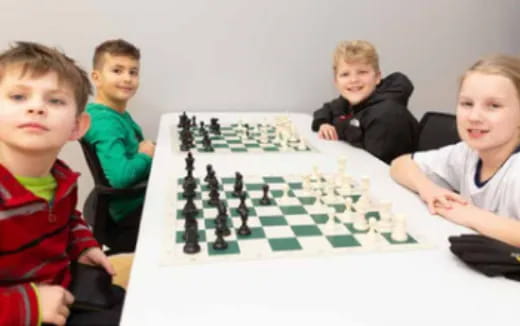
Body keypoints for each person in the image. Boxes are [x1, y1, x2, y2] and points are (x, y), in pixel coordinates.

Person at [0, 42, 123, 325]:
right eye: (19, 97)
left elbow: (68, 219)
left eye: (55, 101)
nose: (36, 108)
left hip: (62, 289)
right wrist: (29, 304)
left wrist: (84, 246)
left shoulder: (61, 178)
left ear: (77, 127)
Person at [390, 54, 520, 247]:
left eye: (494, 106)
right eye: (467, 104)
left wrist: (469, 214)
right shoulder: (467, 153)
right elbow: (400, 164)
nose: (474, 116)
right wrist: (428, 189)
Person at [83, 39, 154, 252]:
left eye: (133, 72)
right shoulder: (105, 122)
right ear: (96, 77)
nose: (127, 78)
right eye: (117, 70)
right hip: (127, 213)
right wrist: (146, 156)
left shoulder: (115, 114)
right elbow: (120, 178)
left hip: (133, 201)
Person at [311, 40, 419, 164]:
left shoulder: (387, 114)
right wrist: (324, 123)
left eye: (362, 72)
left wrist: (339, 125)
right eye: (345, 74)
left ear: (377, 77)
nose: (353, 80)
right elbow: (328, 109)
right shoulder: (351, 101)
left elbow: (375, 166)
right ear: (336, 82)